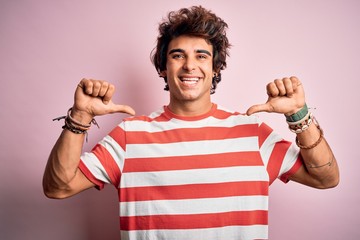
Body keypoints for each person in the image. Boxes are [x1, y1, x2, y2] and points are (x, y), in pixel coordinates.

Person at [43, 6, 339, 240]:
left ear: (215, 67)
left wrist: (299, 116)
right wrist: (80, 117)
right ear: (162, 67)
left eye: (201, 55)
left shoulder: (253, 134)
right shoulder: (128, 137)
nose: (189, 65)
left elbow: (327, 178)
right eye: (177, 55)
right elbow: (57, 187)